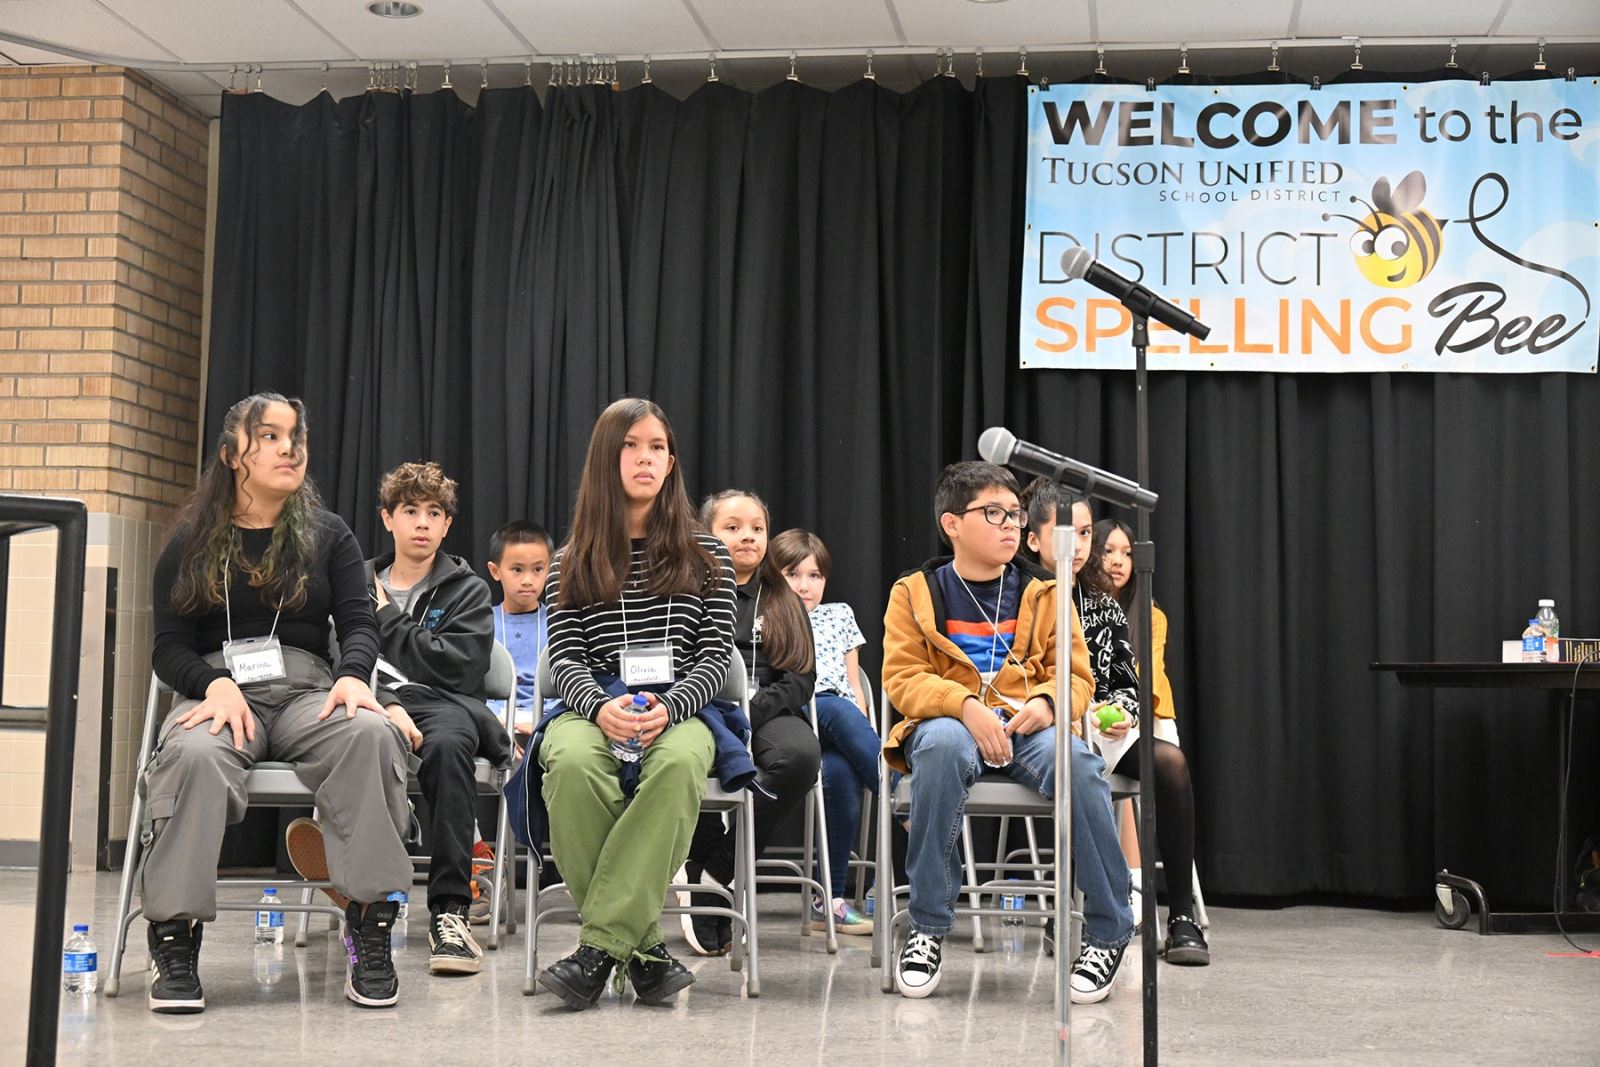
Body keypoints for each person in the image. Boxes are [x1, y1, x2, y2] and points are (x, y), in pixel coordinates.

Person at [145, 393, 411, 1012]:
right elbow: (167, 646)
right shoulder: (190, 540)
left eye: (296, 436)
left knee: (368, 735)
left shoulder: (327, 535)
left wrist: (353, 677)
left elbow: (359, 623)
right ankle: (175, 937)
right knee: (195, 755)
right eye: (268, 436)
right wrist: (210, 684)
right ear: (232, 454)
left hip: (308, 687)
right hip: (217, 690)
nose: (289, 448)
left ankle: (369, 923)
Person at [883, 460, 1133, 1003]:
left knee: (1079, 765)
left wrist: (1048, 702)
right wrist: (964, 705)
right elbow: (903, 679)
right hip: (949, 723)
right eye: (993, 512)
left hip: (1027, 726)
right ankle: (926, 928)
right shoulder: (914, 592)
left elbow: (1075, 676)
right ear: (952, 524)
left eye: (1015, 514)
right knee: (943, 749)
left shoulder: (1045, 590)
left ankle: (1109, 931)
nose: (1011, 525)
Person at [535, 397, 736, 1009]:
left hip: (685, 709)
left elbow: (717, 655)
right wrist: (598, 708)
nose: (646, 458)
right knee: (569, 763)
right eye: (631, 445)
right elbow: (563, 658)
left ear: (671, 461)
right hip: (591, 708)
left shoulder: (711, 556)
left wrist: (671, 708)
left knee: (677, 766)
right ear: (605, 457)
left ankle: (598, 949)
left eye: (657, 447)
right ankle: (644, 950)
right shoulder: (568, 562)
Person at [286, 461, 509, 976]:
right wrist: (387, 701)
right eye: (411, 511)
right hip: (368, 700)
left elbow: (460, 667)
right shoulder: (353, 579)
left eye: (435, 513)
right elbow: (337, 653)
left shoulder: (466, 588)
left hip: (445, 707)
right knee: (351, 736)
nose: (423, 523)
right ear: (388, 518)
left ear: (448, 525)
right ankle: (358, 889)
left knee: (451, 747)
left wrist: (388, 618)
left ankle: (450, 913)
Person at [1024, 480, 1209, 965]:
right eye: (1069, 534)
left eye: (1086, 534)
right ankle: (1069, 905)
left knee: (1170, 763)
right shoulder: (1016, 595)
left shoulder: (1103, 603)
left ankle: (1182, 917)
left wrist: (1122, 712)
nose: (1080, 546)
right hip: (1042, 737)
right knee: (1072, 769)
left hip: (1100, 734)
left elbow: (1125, 682)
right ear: (1034, 539)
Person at [681, 491, 821, 956]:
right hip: (698, 704)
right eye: (733, 526)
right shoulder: (683, 590)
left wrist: (750, 713)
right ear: (705, 535)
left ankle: (718, 868)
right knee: (685, 754)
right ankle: (695, 863)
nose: (747, 537)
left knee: (800, 757)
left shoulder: (784, 598)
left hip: (765, 710)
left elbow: (800, 678)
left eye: (757, 528)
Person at [770, 527, 878, 935]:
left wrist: (863, 729)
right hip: (796, 716)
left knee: (842, 775)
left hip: (840, 719)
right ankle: (905, 801)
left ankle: (827, 901)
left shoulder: (840, 614)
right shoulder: (769, 616)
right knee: (830, 703)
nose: (804, 585)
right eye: (793, 574)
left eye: (814, 576)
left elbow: (854, 683)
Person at [486, 520, 554, 743]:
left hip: (548, 721)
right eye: (517, 569)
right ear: (495, 571)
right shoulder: (482, 623)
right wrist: (499, 722)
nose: (528, 580)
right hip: (495, 721)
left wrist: (542, 719)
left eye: (537, 569)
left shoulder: (558, 622)